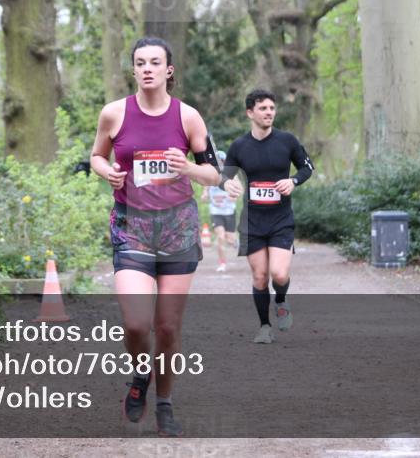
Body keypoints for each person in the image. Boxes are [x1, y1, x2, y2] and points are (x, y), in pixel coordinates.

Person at [90, 37, 220, 437]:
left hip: (178, 229)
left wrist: (188, 168)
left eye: (155, 62)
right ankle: (139, 373)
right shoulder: (114, 114)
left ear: (169, 70)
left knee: (166, 328)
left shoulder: (188, 117)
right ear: (133, 70)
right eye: (140, 62)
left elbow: (214, 173)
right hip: (133, 229)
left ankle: (163, 403)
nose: (147, 68)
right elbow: (96, 155)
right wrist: (106, 171)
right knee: (135, 323)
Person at [221, 89, 314, 344]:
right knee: (260, 276)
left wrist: (293, 180)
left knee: (279, 274)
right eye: (263, 109)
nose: (269, 113)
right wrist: (226, 184)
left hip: (281, 219)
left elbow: (308, 167)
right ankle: (264, 326)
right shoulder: (239, 146)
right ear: (250, 112)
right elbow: (224, 176)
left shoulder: (287, 141)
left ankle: (281, 300)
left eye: (272, 108)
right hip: (252, 221)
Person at [201, 150, 237, 272]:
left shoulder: (232, 175)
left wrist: (234, 195)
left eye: (221, 162)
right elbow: (205, 191)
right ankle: (222, 263)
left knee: (230, 239)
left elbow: (238, 191)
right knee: (220, 236)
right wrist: (205, 194)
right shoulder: (210, 176)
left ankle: (234, 240)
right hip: (216, 211)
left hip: (229, 211)